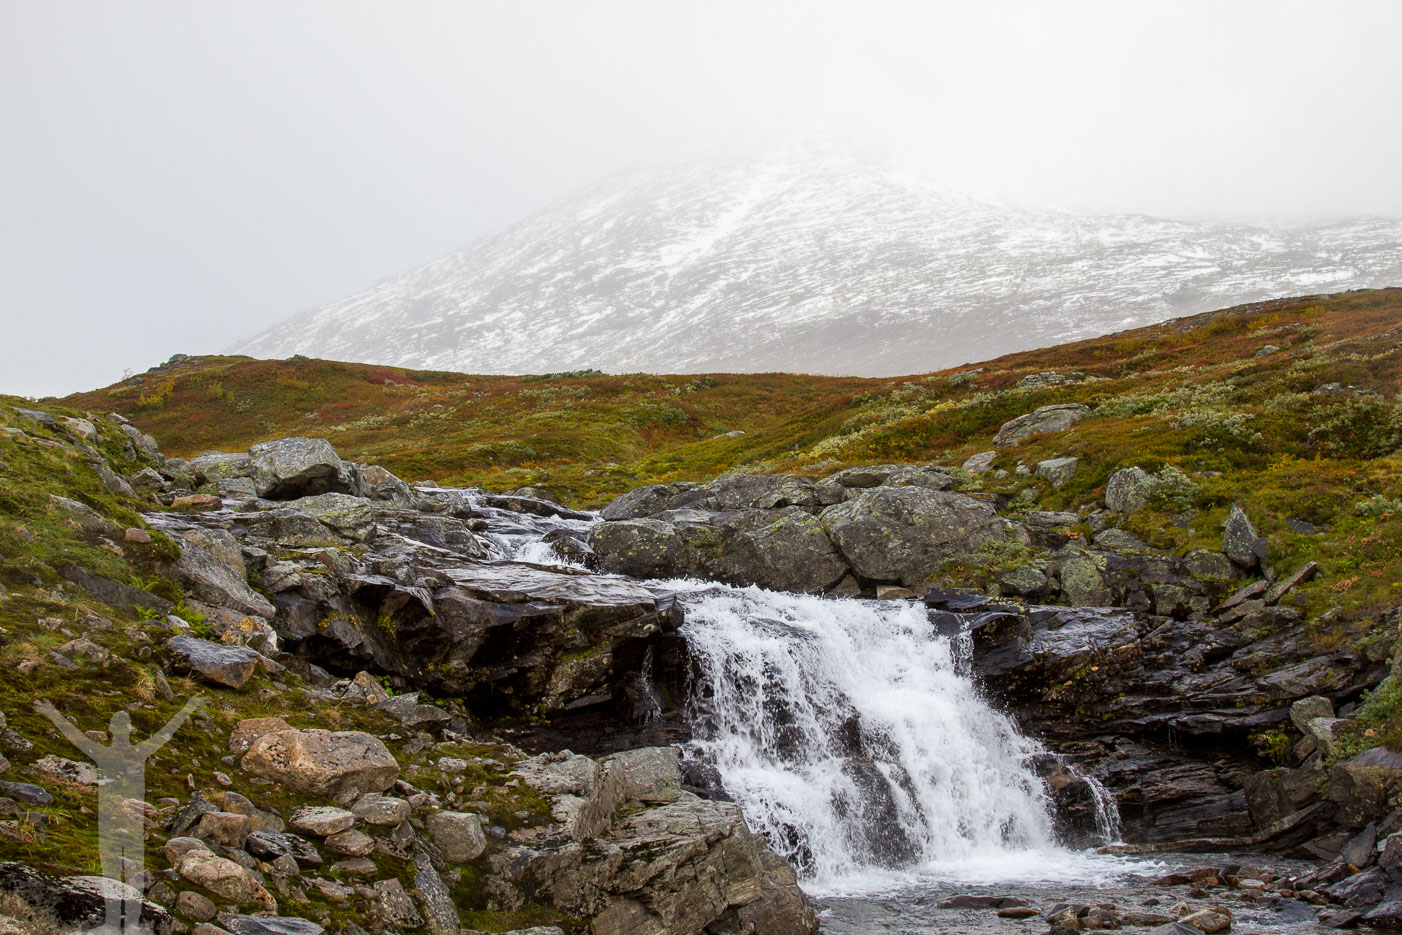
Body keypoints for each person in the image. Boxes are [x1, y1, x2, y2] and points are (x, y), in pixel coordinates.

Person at [36, 695, 206, 934]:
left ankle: (127, 924)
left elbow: (166, 731)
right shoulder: (120, 752)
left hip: (132, 825)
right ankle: (114, 923)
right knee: (114, 871)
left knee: (129, 871)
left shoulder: (127, 752)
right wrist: (51, 713)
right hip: (113, 821)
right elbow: (73, 735)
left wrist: (188, 708)